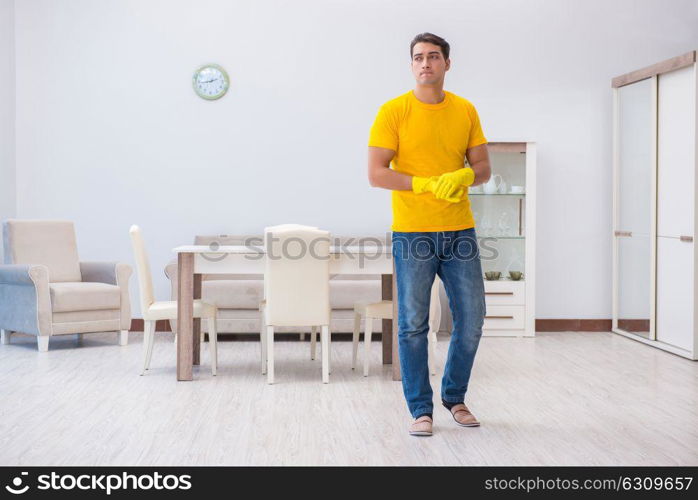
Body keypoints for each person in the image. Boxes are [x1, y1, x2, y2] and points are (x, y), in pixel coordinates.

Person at [367, 32, 491, 436]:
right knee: (412, 324)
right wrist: (423, 184)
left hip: (459, 231)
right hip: (413, 233)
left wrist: (463, 174)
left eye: (433, 57)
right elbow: (376, 172)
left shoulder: (465, 110)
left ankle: (454, 397)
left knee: (471, 319)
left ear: (446, 64)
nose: (425, 64)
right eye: (418, 57)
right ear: (411, 65)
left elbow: (484, 168)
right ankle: (421, 409)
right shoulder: (393, 111)